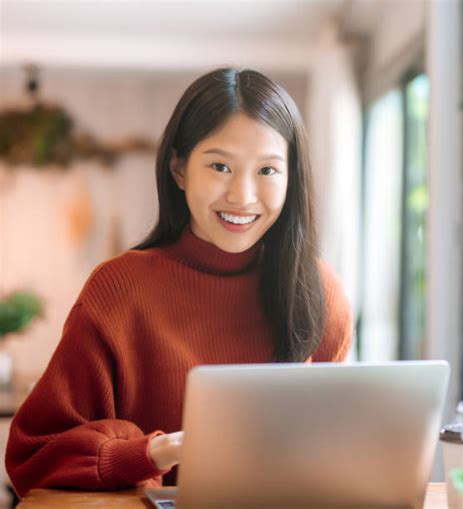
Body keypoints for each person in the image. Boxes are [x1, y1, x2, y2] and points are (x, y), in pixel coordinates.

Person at [5, 67, 354, 498]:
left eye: (267, 171)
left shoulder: (320, 291)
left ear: (291, 178)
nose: (243, 196)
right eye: (220, 166)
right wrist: (151, 453)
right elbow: (32, 455)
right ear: (179, 169)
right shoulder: (119, 290)